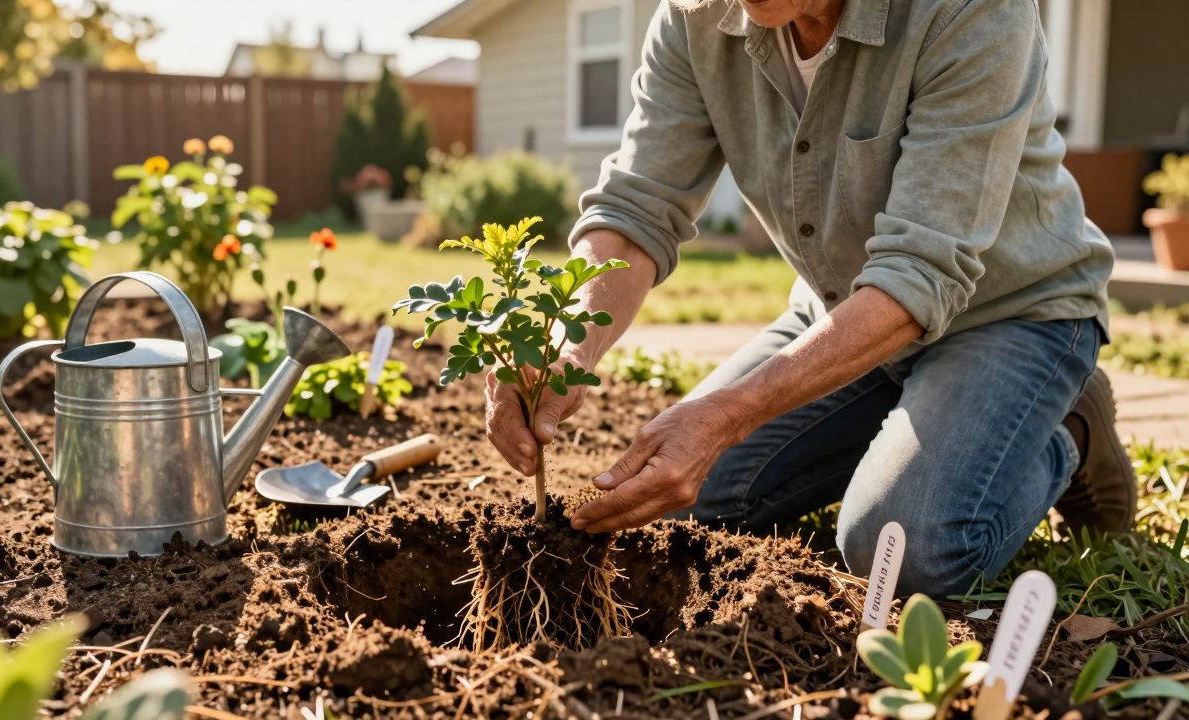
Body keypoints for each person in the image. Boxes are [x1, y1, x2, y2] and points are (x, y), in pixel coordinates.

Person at [482, 0, 1135, 598]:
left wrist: (730, 414)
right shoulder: (694, 17)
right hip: (845, 316)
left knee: (902, 554)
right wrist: (569, 347)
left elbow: (921, 270)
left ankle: (1070, 428)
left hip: (1009, 315)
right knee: (674, 501)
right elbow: (638, 207)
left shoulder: (972, 10)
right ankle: (912, 428)